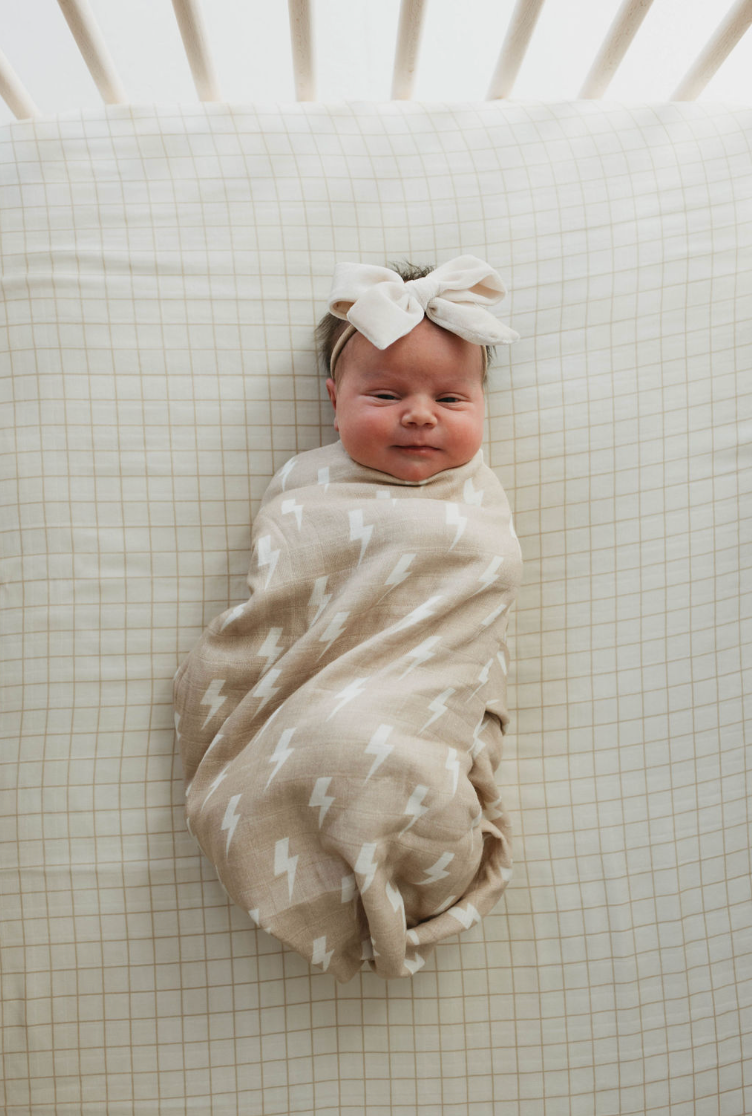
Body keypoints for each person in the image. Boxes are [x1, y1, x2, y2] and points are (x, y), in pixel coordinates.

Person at [173, 255, 524, 982]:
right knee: (327, 742)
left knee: (387, 758)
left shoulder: (477, 503)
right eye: (387, 393)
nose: (420, 414)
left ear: (483, 407)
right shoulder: (309, 490)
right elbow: (283, 597)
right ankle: (310, 844)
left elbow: (479, 588)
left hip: (417, 697)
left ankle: (412, 853)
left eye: (452, 399)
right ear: (334, 401)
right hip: (309, 695)